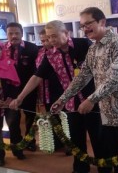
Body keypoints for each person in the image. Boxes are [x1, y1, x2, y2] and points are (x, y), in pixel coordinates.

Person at [50, 7, 118, 173]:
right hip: (107, 115)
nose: (85, 28)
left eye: (88, 23)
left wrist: (91, 100)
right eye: (82, 25)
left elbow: (116, 78)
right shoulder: (93, 48)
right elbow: (82, 76)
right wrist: (63, 99)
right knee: (114, 159)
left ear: (102, 22)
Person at [9, 20, 102, 173]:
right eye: (49, 37)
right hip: (71, 104)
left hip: (92, 101)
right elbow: (36, 77)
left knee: (98, 138)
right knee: (76, 140)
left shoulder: (83, 44)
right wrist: (20, 97)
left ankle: (104, 167)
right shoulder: (50, 55)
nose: (51, 40)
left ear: (66, 33)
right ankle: (80, 168)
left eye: (54, 36)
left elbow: (101, 69)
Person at [5, 22, 39, 152]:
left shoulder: (32, 48)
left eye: (17, 33)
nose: (14, 36)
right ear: (6, 35)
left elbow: (37, 71)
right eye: (10, 33)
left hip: (28, 88)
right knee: (13, 119)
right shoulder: (1, 49)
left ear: (22, 34)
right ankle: (16, 143)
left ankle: (30, 141)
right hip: (10, 91)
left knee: (30, 117)